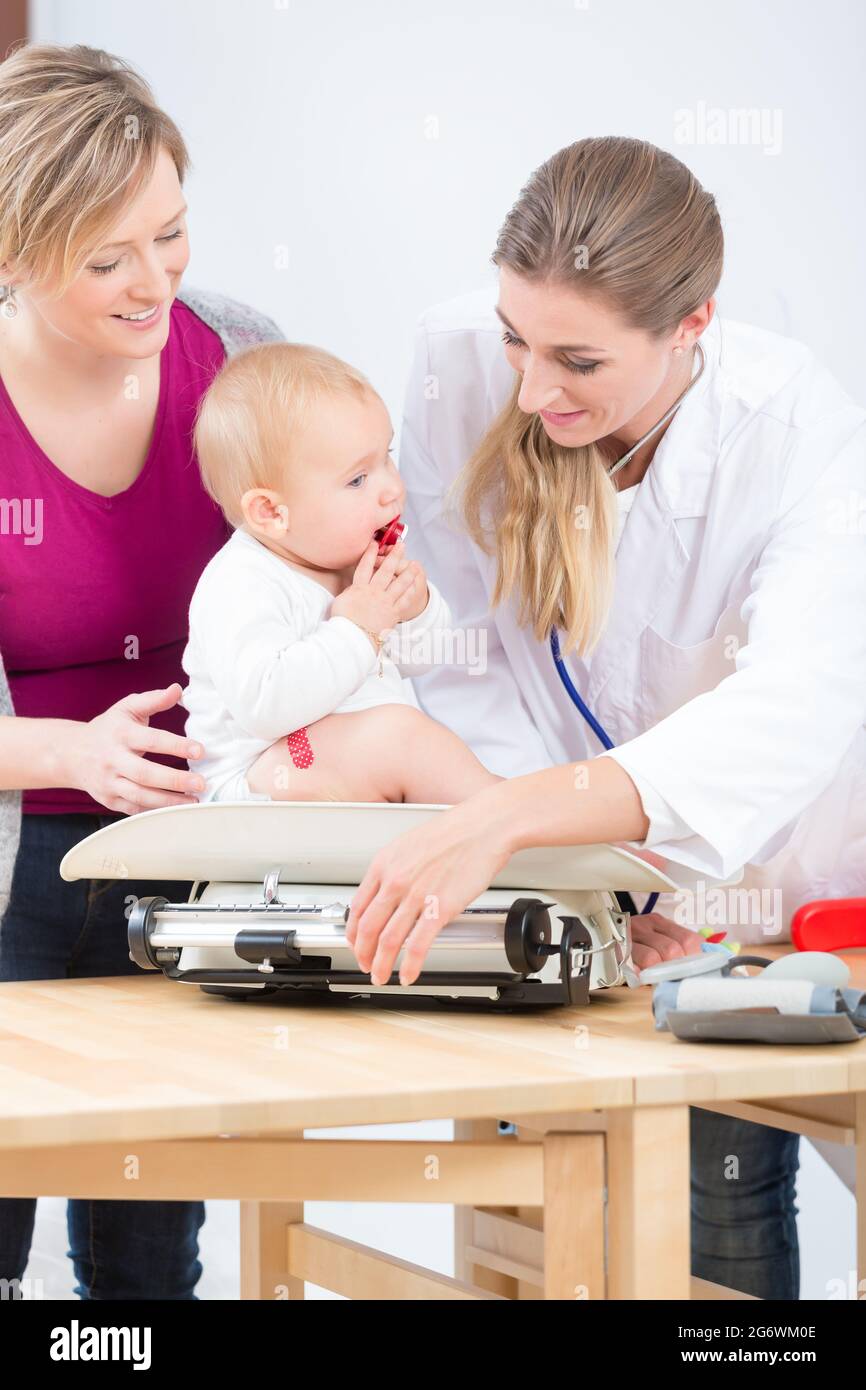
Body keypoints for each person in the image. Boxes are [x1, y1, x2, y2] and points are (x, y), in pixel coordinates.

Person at [345, 136, 866, 1298]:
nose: (530, 390)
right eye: (513, 339)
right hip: (573, 870)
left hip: (773, 867)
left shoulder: (800, 438)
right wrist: (572, 868)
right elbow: (470, 651)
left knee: (721, 1187)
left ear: (692, 325)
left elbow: (788, 709)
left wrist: (548, 829)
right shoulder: (454, 365)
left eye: (577, 359)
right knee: (544, 1192)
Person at [0, 42, 282, 1298]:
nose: (151, 280)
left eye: (168, 234)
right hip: (19, 863)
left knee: (147, 1253)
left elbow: (326, 557)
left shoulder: (235, 356)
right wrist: (73, 753)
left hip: (181, 859)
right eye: (104, 257)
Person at [181, 341, 499, 805]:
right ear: (272, 511)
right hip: (256, 785)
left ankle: (501, 818)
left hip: (334, 764)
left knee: (407, 740)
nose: (391, 488)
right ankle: (513, 819)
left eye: (386, 457)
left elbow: (422, 661)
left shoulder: (347, 559)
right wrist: (359, 627)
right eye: (357, 480)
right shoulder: (242, 581)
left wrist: (414, 611)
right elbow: (265, 704)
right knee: (402, 741)